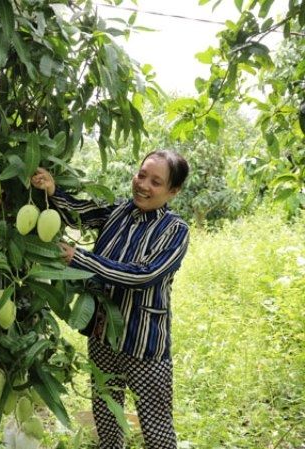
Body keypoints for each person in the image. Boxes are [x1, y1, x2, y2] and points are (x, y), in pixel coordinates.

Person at [31, 150, 190, 449]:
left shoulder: (175, 231)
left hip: (143, 342)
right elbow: (83, 212)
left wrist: (80, 259)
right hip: (103, 333)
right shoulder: (119, 211)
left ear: (173, 191)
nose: (143, 185)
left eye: (156, 182)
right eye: (142, 175)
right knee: (106, 413)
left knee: (156, 427)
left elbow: (143, 276)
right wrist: (53, 189)